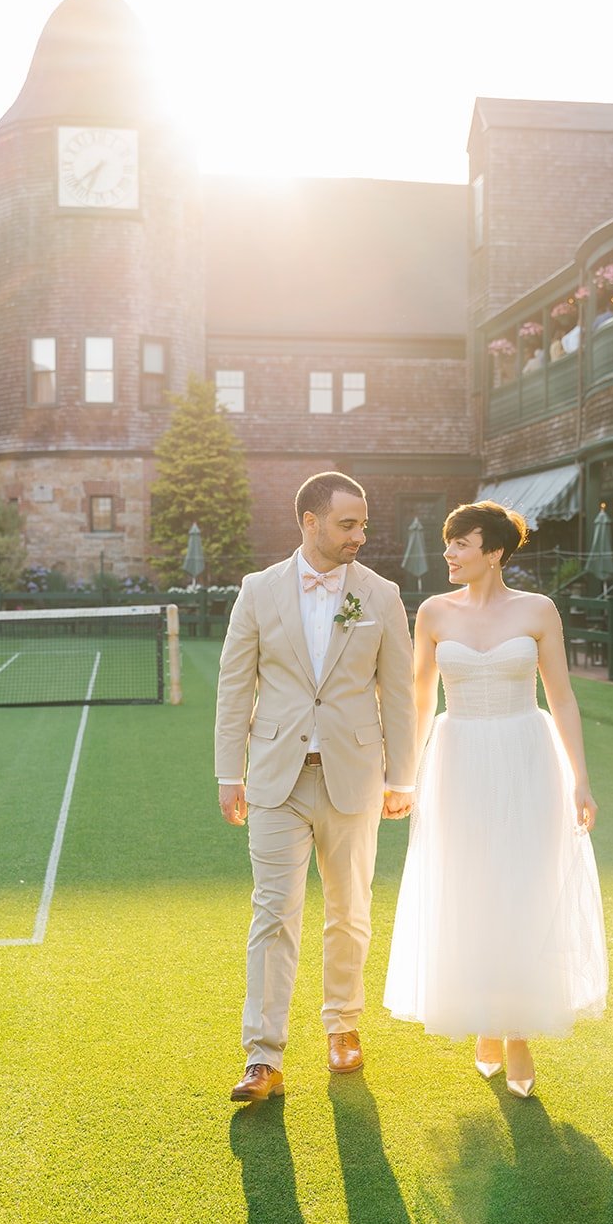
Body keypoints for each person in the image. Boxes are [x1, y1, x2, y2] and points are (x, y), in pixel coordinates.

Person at [383, 501, 607, 1098]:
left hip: (526, 756)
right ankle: (484, 1015)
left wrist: (581, 778)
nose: (449, 553)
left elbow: (561, 697)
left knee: (523, 886)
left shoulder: (538, 610)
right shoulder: (432, 613)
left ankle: (515, 1033)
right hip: (458, 760)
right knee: (470, 886)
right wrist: (403, 778)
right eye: (448, 543)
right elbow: (421, 701)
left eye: (461, 544)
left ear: (494, 552)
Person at [216, 471, 417, 1102]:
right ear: (309, 521)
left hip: (354, 776)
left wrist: (402, 776)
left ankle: (343, 1027)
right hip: (276, 778)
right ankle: (263, 1056)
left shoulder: (381, 595)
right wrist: (230, 771)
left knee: (350, 911)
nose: (359, 535)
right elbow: (234, 685)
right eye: (346, 523)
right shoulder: (257, 590)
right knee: (273, 913)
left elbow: (399, 694)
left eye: (363, 524)